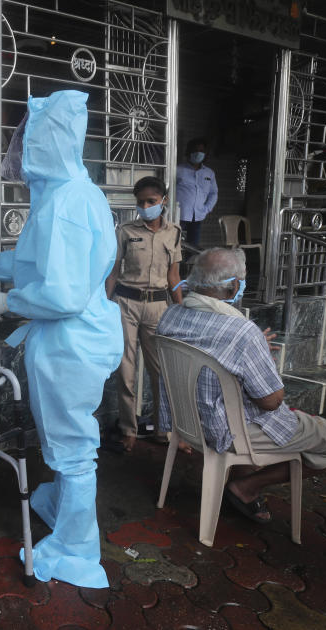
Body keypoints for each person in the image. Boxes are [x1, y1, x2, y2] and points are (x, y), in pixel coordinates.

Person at [0, 91, 123, 588]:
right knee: (65, 443)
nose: (22, 157)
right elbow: (35, 264)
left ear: (49, 144)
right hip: (70, 343)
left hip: (70, 345)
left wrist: (7, 303)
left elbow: (61, 294)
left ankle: (77, 550)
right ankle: (63, 507)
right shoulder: (72, 194)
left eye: (30, 143)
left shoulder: (67, 204)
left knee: (74, 451)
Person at [157, 248, 326, 524]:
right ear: (234, 287)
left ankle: (238, 480)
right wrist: (254, 346)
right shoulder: (241, 332)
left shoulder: (171, 315)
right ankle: (245, 488)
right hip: (225, 430)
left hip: (186, 421)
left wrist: (252, 345)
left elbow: (209, 342)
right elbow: (271, 401)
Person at [105, 176, 183, 452]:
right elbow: (113, 273)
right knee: (126, 370)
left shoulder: (174, 233)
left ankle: (164, 430)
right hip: (126, 304)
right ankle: (129, 430)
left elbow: (174, 276)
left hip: (159, 308)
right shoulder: (125, 230)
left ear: (163, 201)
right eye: (140, 202)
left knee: (160, 371)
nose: (145, 206)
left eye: (151, 201)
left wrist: (180, 310)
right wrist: (105, 306)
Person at [175, 137, 218, 248]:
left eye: (202, 151)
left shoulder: (209, 173)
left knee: (193, 247)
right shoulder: (178, 170)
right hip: (179, 215)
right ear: (189, 152)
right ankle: (176, 265)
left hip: (198, 216)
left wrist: (207, 208)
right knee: (174, 245)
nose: (198, 153)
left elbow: (213, 193)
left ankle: (190, 265)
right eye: (195, 150)